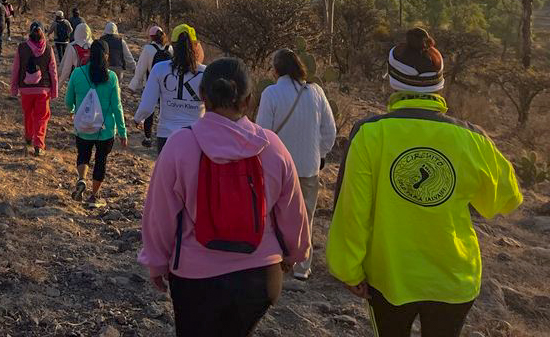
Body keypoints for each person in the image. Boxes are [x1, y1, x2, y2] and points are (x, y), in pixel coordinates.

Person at [328, 28, 523, 337]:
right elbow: (506, 199)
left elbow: (352, 211)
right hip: (454, 278)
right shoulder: (471, 138)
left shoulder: (369, 134)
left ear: (392, 80)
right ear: (440, 83)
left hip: (389, 277)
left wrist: (348, 268)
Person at [139, 57, 311, 337]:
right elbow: (294, 212)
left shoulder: (180, 146)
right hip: (261, 278)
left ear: (202, 96)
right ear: (248, 101)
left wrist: (157, 262)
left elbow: (159, 214)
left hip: (196, 279)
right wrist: (296, 253)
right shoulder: (272, 147)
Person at [256, 48, 337, 281]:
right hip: (308, 168)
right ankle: (302, 268)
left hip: (277, 170)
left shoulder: (271, 94)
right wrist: (319, 154)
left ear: (277, 69)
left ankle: (275, 261)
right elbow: (329, 131)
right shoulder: (317, 92)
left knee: (273, 215)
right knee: (306, 218)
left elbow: (264, 134)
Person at [64, 38, 128, 207]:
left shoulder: (77, 73)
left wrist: (73, 111)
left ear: (90, 54)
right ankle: (94, 196)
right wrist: (122, 131)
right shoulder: (112, 77)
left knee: (83, 155)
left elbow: (68, 101)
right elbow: (117, 106)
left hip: (83, 127)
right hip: (105, 130)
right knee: (101, 161)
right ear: (106, 56)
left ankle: (81, 179)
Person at [134, 24, 206, 153]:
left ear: (173, 45)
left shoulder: (160, 69)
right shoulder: (206, 72)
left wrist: (138, 118)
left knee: (167, 173)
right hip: (197, 137)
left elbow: (148, 104)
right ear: (196, 46)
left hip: (167, 135)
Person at [10, 21, 59, 156]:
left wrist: (14, 88)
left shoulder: (22, 48)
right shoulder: (48, 48)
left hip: (25, 89)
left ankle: (28, 138)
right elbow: (53, 71)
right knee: (41, 117)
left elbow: (16, 69)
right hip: (43, 89)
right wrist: (54, 91)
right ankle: (39, 145)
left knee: (28, 115)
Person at [129, 26, 173, 148]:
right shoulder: (170, 48)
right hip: (168, 85)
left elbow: (141, 69)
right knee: (165, 111)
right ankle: (166, 136)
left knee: (150, 110)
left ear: (151, 37)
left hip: (151, 84)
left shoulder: (148, 49)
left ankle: (148, 138)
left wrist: (133, 86)